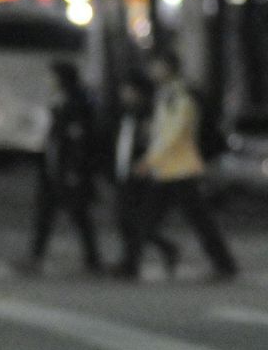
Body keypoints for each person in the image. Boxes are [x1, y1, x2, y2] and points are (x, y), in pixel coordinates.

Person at [116, 51, 238, 281]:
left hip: (180, 169)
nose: (152, 71)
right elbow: (165, 130)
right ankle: (131, 264)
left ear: (167, 67)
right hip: (168, 169)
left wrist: (148, 160)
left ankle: (224, 265)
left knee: (195, 221)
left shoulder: (180, 96)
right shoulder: (166, 95)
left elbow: (175, 133)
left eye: (156, 66)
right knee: (154, 219)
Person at [18, 61, 103, 274]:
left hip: (68, 170)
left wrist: (75, 170)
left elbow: (80, 140)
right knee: (46, 215)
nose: (49, 81)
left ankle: (92, 260)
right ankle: (36, 256)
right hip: (53, 168)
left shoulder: (77, 102)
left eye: (52, 76)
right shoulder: (60, 100)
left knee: (79, 215)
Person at [109, 75, 179, 276]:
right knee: (126, 220)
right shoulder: (125, 113)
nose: (124, 94)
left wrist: (147, 165)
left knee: (137, 221)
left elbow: (156, 143)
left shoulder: (150, 114)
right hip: (124, 172)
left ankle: (131, 264)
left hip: (144, 174)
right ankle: (163, 250)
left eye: (128, 90)